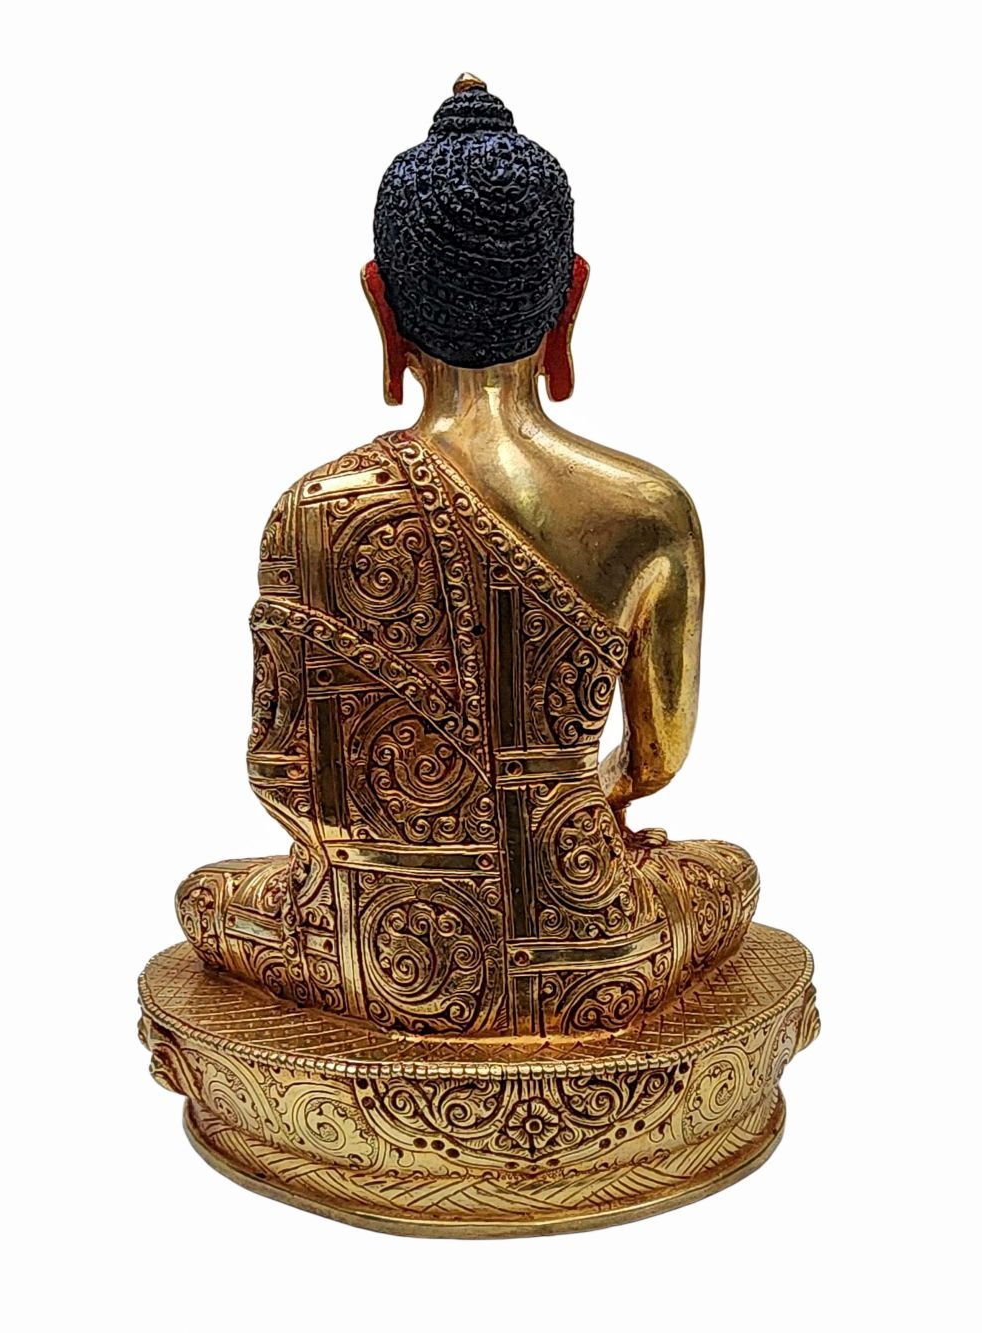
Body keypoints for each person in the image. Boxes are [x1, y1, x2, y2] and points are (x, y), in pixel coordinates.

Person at [176, 76, 758, 1037]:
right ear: (571, 298)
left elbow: (278, 774)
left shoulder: (311, 513)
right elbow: (655, 762)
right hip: (592, 946)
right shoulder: (650, 514)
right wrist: (571, 806)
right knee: (728, 873)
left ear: (381, 306)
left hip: (364, 951)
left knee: (205, 897)